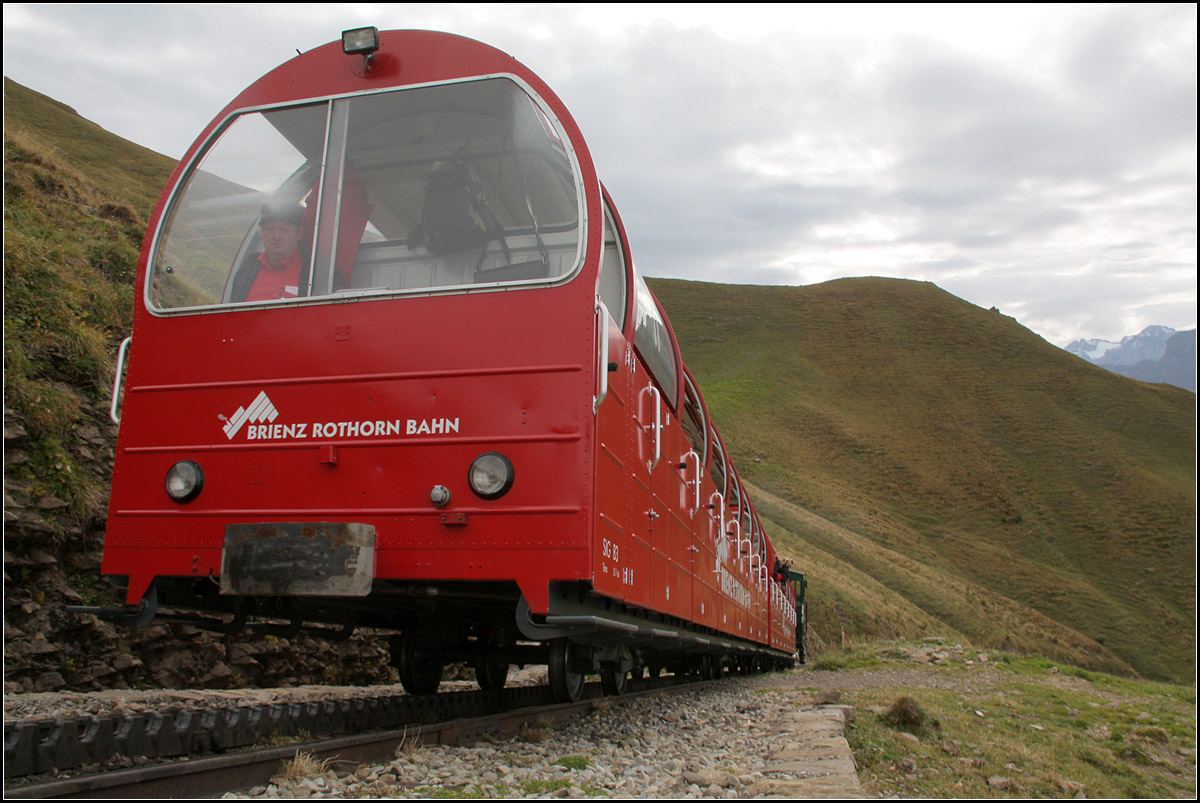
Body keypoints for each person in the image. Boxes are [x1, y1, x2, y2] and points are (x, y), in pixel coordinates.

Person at [244, 203, 306, 302]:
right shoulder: (248, 266)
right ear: (261, 232)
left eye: (284, 230)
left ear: (298, 232)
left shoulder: (314, 270)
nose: (277, 236)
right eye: (270, 229)